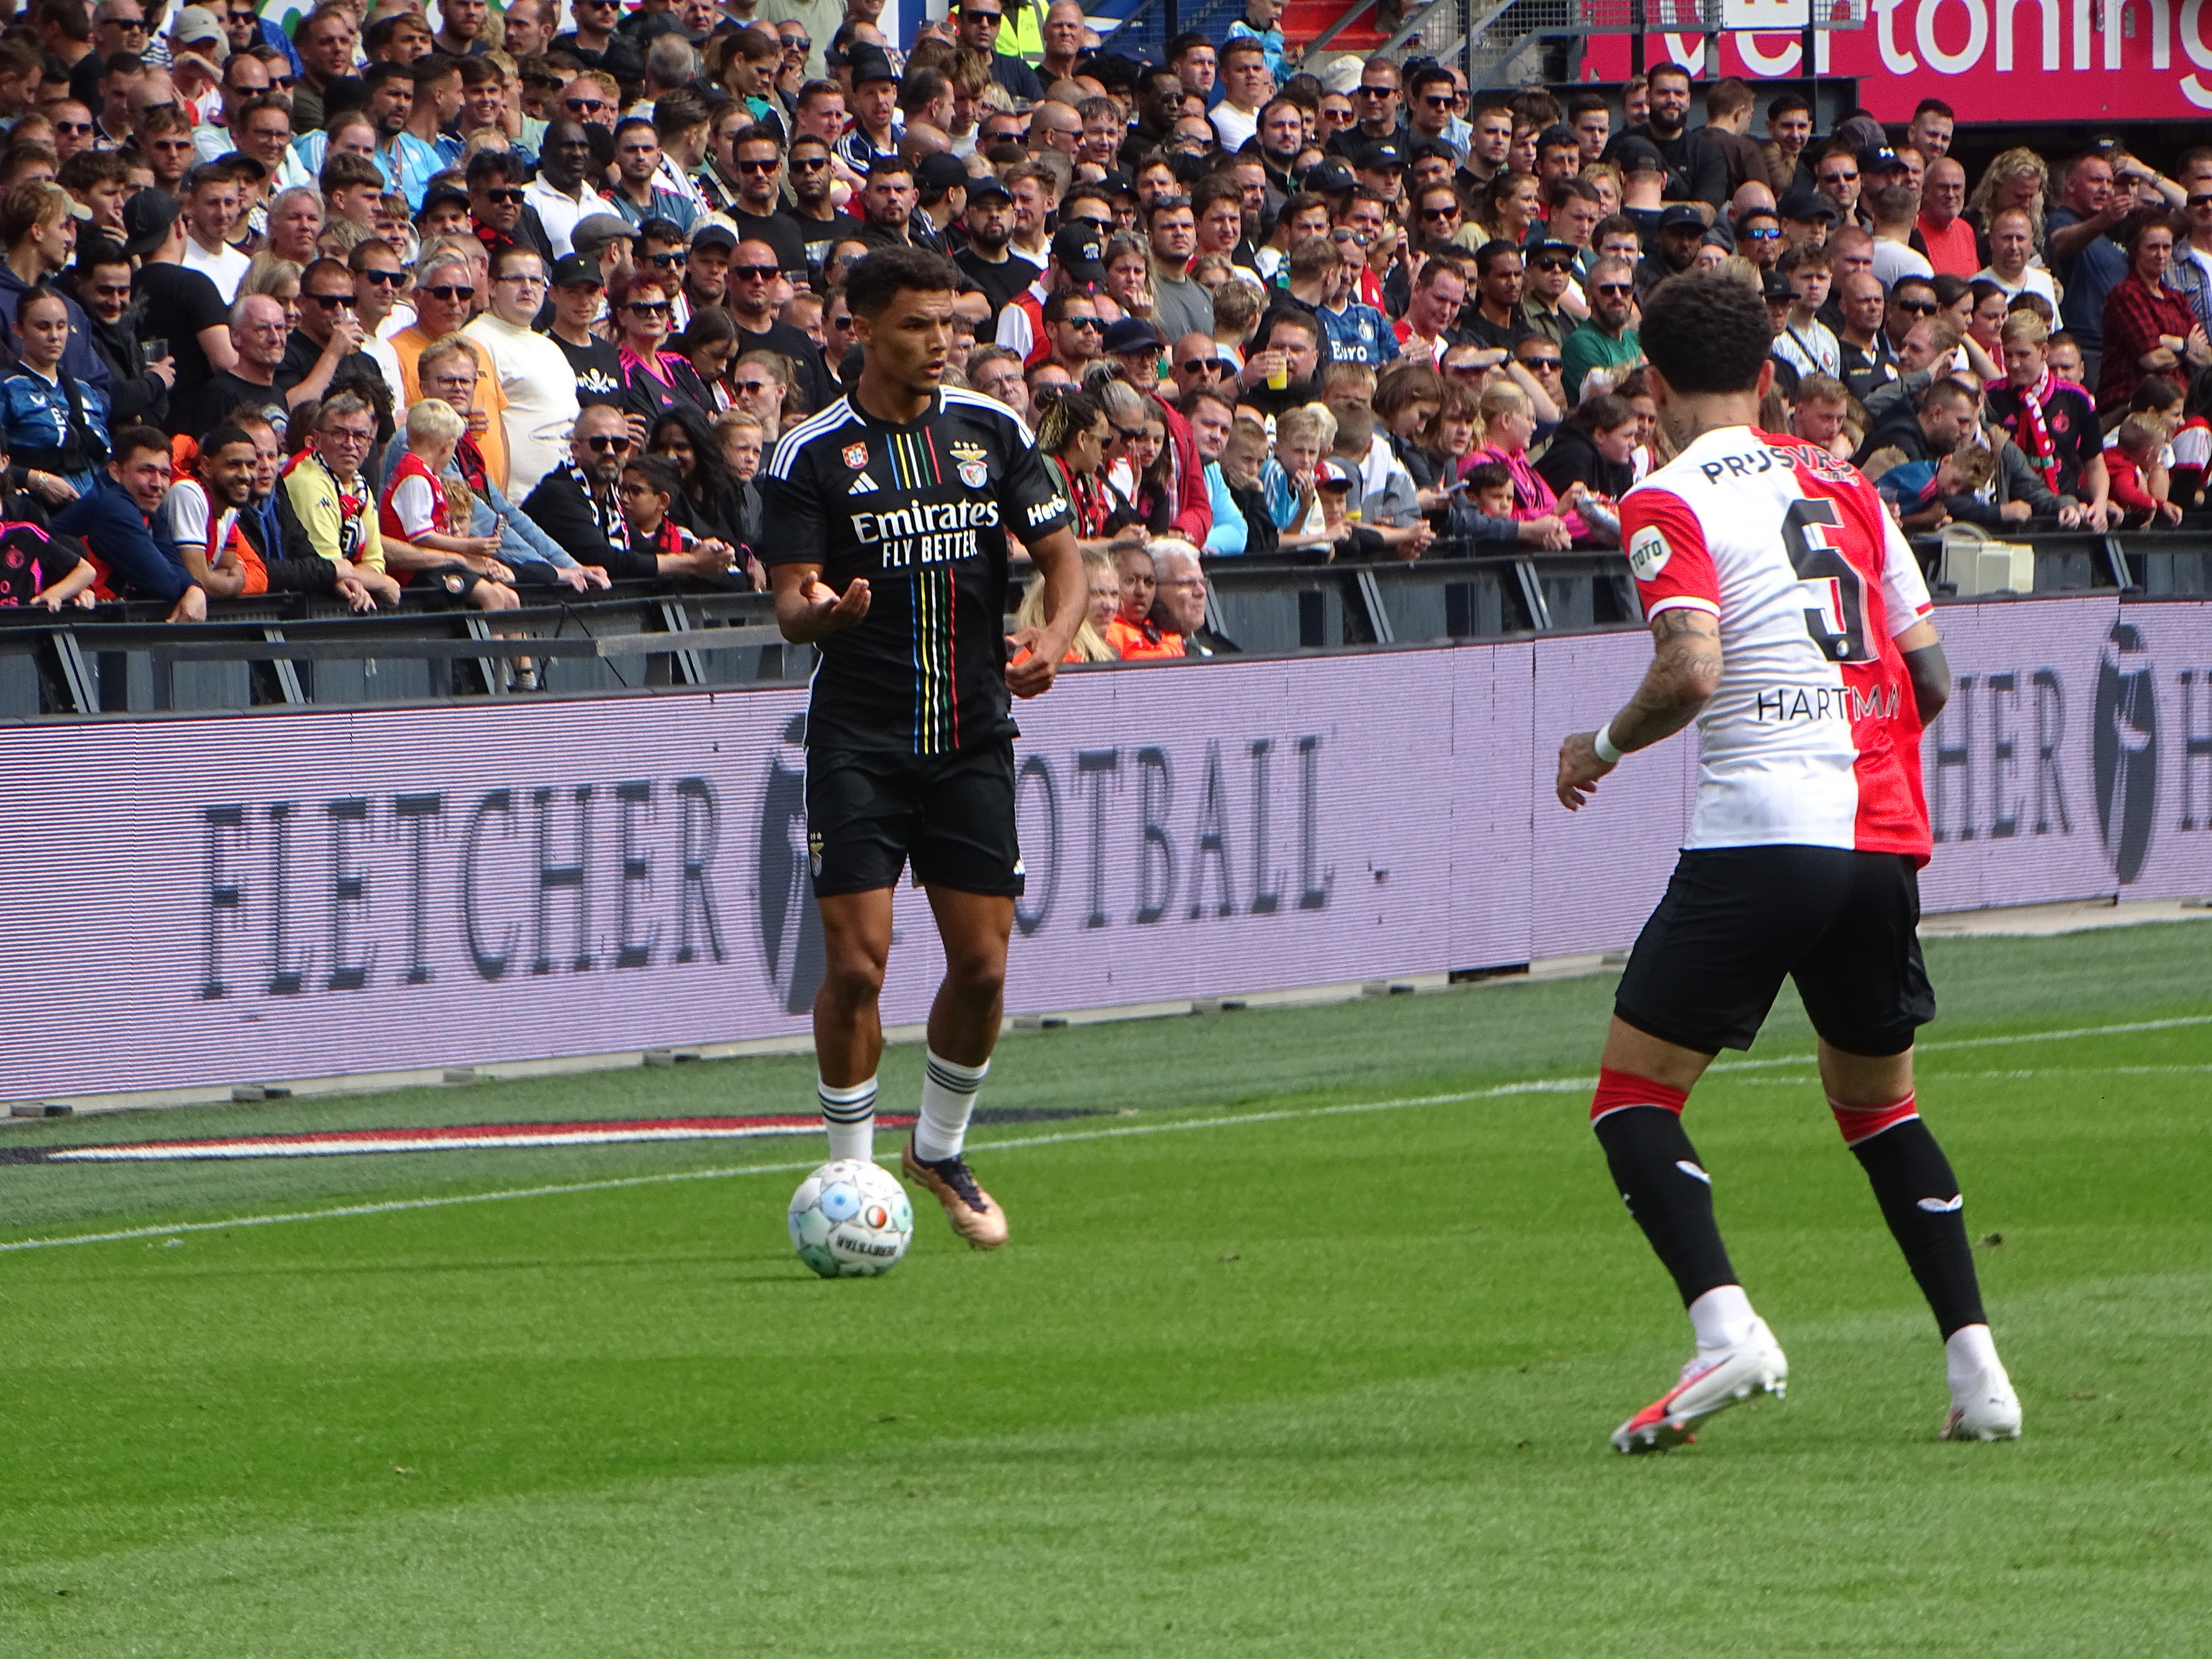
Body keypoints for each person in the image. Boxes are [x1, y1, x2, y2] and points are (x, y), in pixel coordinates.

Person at [1552, 269, 2018, 1455]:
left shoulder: (1664, 497)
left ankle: (1727, 1334)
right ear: (1768, 377)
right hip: (1878, 837)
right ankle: (1979, 1373)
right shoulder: (1849, 484)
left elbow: (1693, 667)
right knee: (1881, 1107)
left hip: (1765, 827)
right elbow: (1930, 676)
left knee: (1632, 1100)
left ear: (1649, 384)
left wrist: (1597, 746)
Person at [757, 245, 1082, 1249]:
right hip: (859, 737)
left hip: (972, 732)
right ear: (857, 327)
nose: (940, 344)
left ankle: (937, 1148)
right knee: (858, 966)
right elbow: (789, 603)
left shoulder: (992, 432)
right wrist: (828, 610)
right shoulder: (809, 453)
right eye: (917, 326)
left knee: (982, 968)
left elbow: (1066, 564)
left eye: (951, 326)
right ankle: (851, 1180)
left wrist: (1056, 641)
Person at [54, 421, 204, 618]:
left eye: (165, 474)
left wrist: (194, 588)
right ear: (116, 471)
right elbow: (163, 584)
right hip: (64, 617)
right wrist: (190, 588)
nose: (157, 484)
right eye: (145, 471)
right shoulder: (111, 505)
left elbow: (170, 559)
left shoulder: (146, 504)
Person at [1, 283, 109, 497]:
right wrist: (35, 479)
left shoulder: (86, 392)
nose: (54, 336)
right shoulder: (7, 388)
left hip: (99, 502)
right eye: (43, 327)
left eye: (61, 326)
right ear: (18, 330)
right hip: (38, 509)